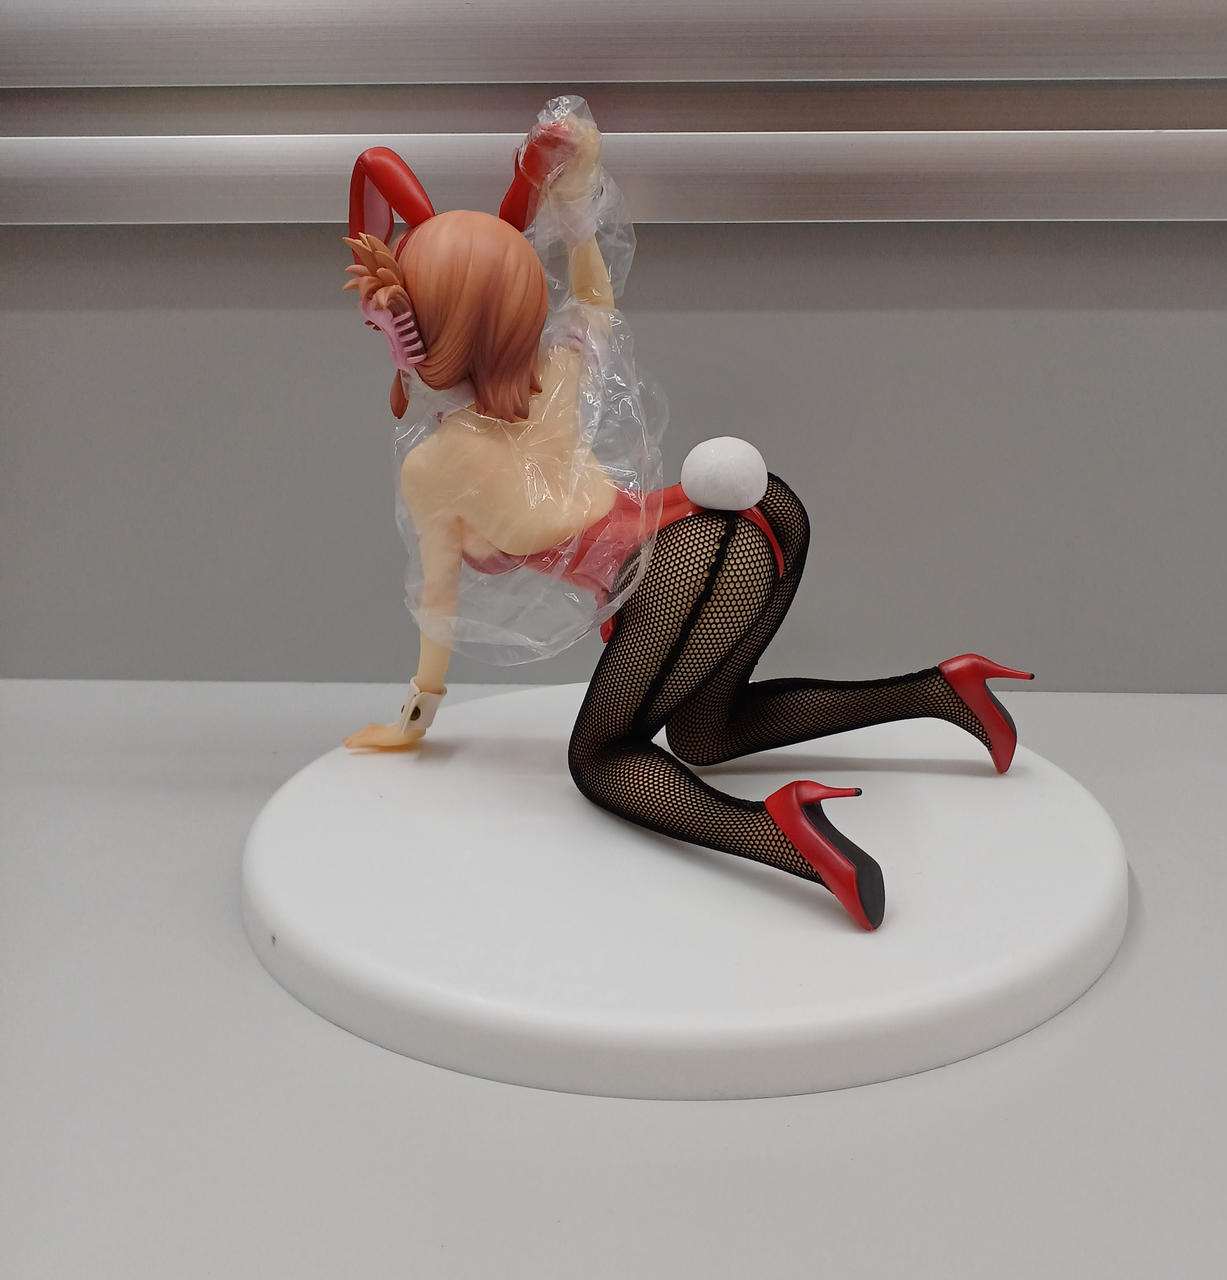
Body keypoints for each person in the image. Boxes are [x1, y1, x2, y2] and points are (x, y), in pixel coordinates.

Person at [341, 99, 1032, 930]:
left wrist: (414, 718)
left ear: (420, 333)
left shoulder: (434, 465)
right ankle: (944, 691)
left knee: (601, 759)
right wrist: (576, 207)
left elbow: (439, 606)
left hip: (691, 563)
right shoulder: (552, 379)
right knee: (706, 733)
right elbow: (594, 299)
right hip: (756, 516)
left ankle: (779, 833)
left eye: (393, 321)